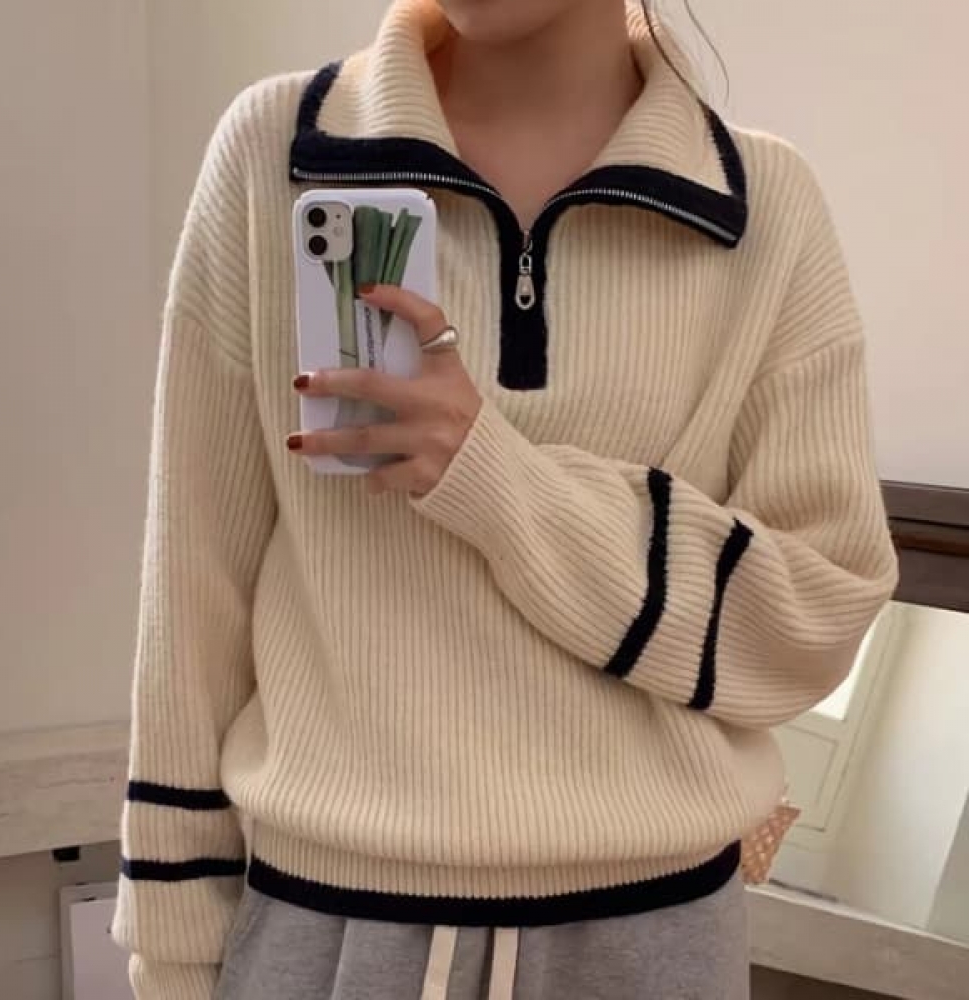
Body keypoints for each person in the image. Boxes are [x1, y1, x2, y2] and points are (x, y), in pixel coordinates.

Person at [111, 0, 900, 997]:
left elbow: (813, 617)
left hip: (649, 942)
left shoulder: (764, 207)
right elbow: (193, 597)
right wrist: (172, 954)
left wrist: (493, 478)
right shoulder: (279, 151)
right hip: (331, 926)